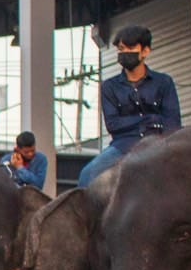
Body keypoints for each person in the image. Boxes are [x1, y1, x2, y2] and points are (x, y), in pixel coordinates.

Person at [77, 26, 182, 188]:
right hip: (123, 146)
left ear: (145, 51)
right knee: (88, 174)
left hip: (159, 146)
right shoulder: (110, 86)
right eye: (121, 49)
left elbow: (173, 123)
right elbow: (113, 125)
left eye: (131, 48)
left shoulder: (163, 82)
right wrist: (149, 119)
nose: (125, 52)